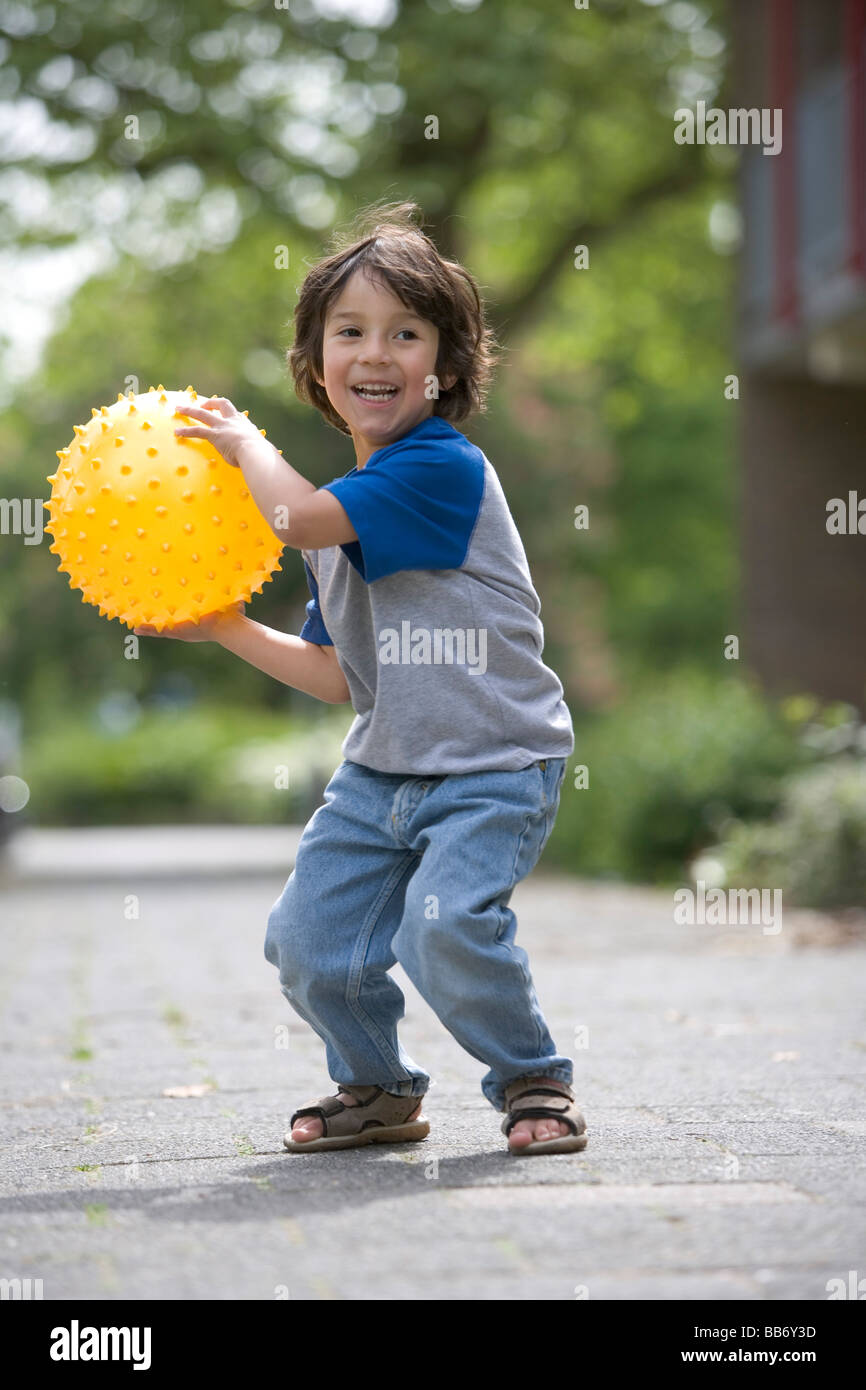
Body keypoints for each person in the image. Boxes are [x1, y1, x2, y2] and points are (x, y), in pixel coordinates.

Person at [134, 200, 587, 1157]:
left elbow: (292, 520)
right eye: (350, 332)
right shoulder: (340, 511)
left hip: (492, 766)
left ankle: (534, 1078)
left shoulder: (436, 468)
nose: (375, 353)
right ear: (317, 366)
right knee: (305, 943)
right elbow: (341, 677)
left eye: (405, 334)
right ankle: (378, 1089)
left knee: (441, 927)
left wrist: (248, 447)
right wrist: (225, 627)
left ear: (446, 368)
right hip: (380, 773)